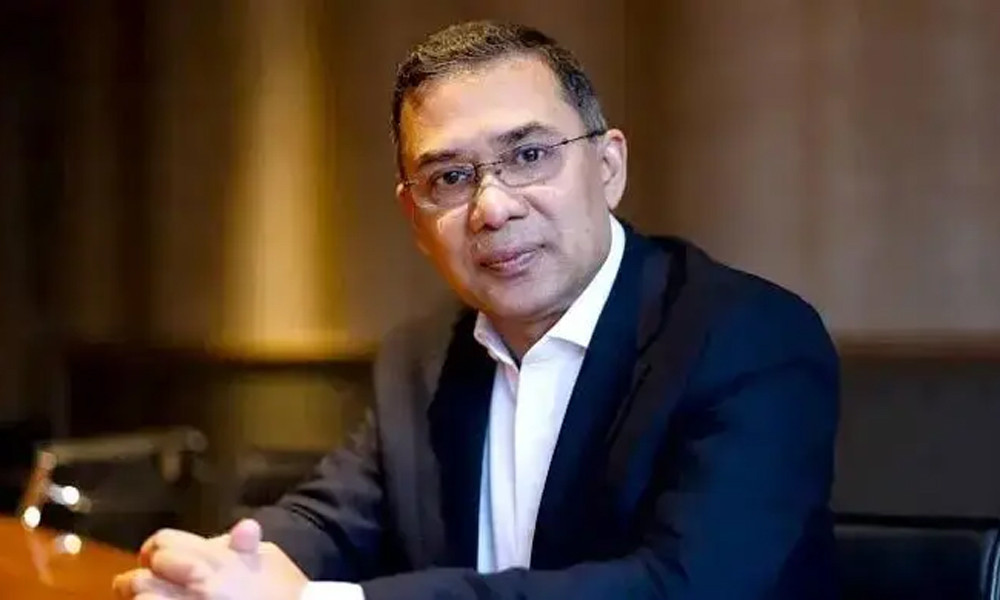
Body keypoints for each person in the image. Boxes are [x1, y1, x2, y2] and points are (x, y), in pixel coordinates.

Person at [113, 20, 839, 600]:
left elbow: (686, 588)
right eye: (451, 177)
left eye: (529, 157)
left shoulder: (746, 339)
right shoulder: (423, 357)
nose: (492, 208)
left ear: (608, 167)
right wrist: (225, 571)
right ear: (415, 217)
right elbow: (332, 519)